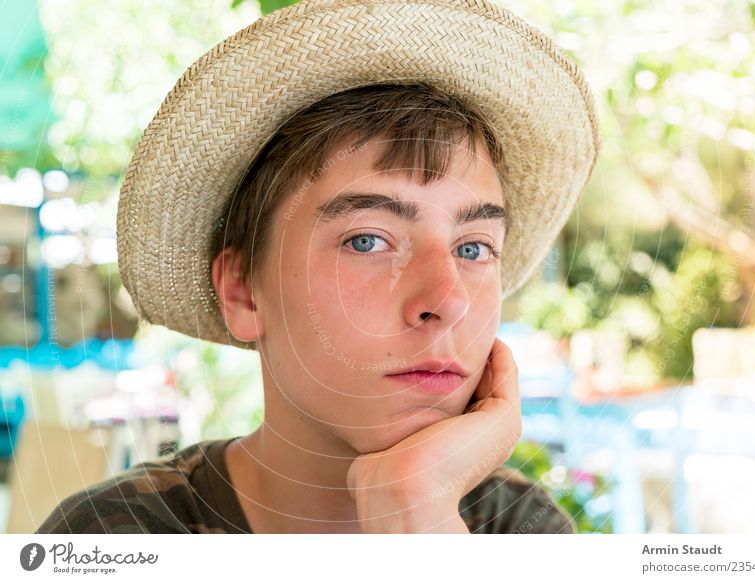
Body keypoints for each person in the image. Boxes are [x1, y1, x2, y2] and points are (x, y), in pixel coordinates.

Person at [36, 0, 600, 534]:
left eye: (473, 248)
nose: (448, 299)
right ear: (244, 293)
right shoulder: (118, 539)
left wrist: (422, 525)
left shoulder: (520, 527)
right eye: (368, 241)